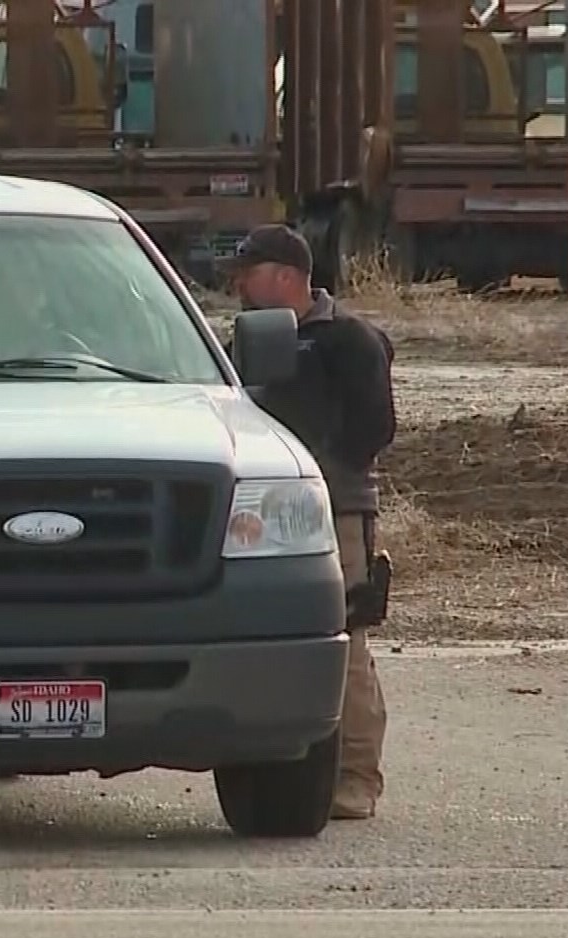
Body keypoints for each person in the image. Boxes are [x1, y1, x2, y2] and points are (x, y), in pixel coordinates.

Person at [221, 224, 397, 821]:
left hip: (337, 509)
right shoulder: (248, 342)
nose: (240, 287)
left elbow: (374, 429)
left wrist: (314, 467)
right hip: (262, 509)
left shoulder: (349, 341)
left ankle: (354, 779)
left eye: (251, 273)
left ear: (289, 276)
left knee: (343, 640)